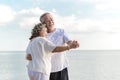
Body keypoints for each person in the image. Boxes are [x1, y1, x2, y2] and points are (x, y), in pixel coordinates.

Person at [26, 12, 79, 80]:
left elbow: (69, 42)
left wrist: (73, 44)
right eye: (47, 20)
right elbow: (29, 55)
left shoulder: (61, 31)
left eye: (51, 19)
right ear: (43, 24)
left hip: (62, 68)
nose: (50, 21)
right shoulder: (40, 37)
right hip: (47, 71)